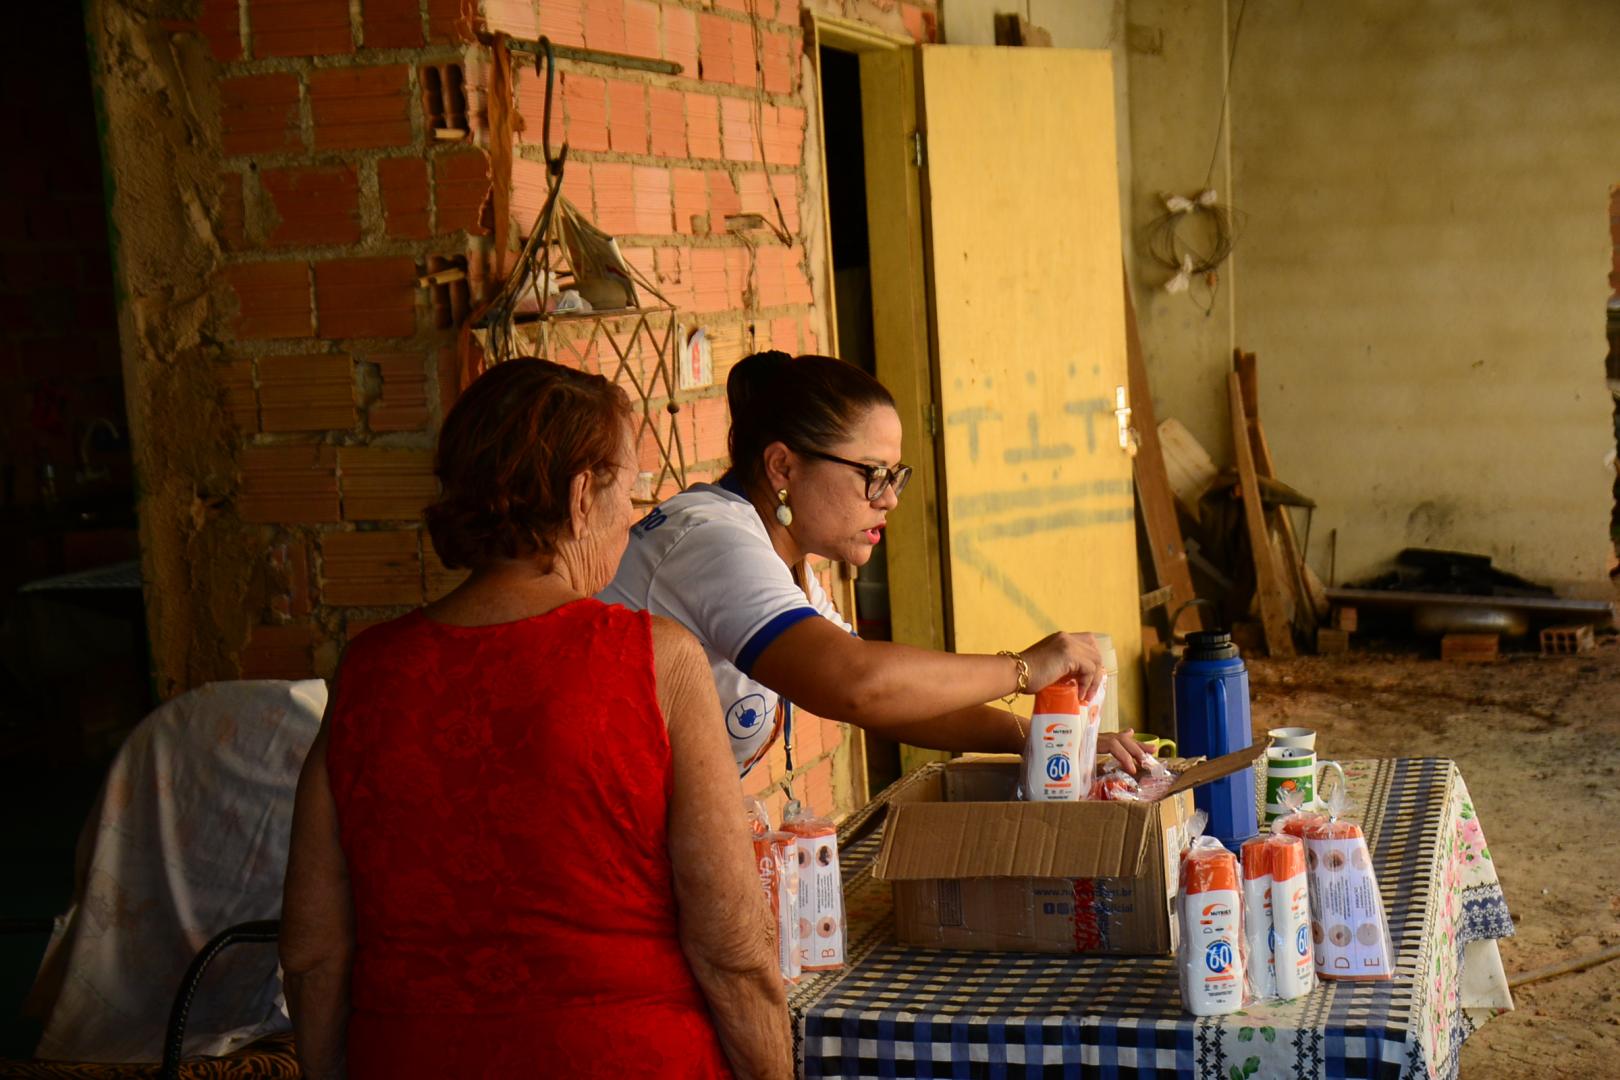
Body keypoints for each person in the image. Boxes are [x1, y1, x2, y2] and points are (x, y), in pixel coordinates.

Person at [281, 358, 791, 1080]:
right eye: (632, 492)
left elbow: (312, 953)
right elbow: (731, 947)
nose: (633, 517)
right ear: (583, 497)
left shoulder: (368, 671)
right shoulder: (654, 661)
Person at [600, 351, 1149, 779]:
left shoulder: (785, 565)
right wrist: (1024, 668)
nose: (889, 499)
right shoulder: (713, 541)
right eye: (873, 474)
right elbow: (858, 684)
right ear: (782, 466)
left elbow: (894, 703)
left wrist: (1038, 737)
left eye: (894, 476)